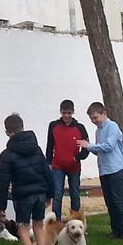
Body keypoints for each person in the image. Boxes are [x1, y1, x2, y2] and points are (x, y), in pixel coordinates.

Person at [0, 113, 55, 245]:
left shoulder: (6, 154)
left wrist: (1, 206)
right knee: (39, 226)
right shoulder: (37, 149)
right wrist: (50, 194)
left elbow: (2, 182)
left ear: (7, 132)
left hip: (23, 195)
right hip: (40, 193)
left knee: (23, 228)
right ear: (23, 127)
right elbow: (47, 173)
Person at [79, 102, 123, 239]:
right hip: (104, 170)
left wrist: (90, 146)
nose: (93, 121)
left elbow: (109, 146)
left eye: (95, 117)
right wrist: (88, 147)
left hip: (115, 169)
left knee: (118, 200)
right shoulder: (98, 131)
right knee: (110, 202)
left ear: (103, 113)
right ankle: (116, 230)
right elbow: (100, 150)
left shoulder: (112, 126)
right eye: (91, 119)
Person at [44, 99, 90, 231]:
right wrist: (49, 162)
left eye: (69, 113)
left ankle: (76, 225)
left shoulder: (79, 127)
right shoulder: (53, 126)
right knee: (57, 194)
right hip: (58, 166)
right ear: (60, 112)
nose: (66, 116)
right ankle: (56, 225)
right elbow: (49, 145)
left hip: (74, 167)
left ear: (73, 112)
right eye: (64, 113)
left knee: (75, 194)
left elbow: (86, 148)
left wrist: (76, 157)